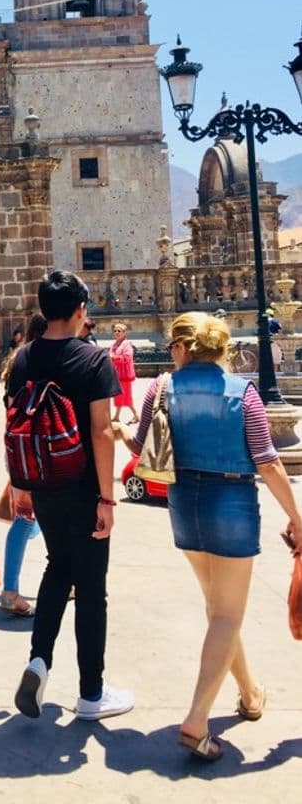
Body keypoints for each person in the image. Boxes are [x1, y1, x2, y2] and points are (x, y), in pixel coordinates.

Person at [117, 312, 302, 762]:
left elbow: (140, 448)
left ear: (183, 347)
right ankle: (197, 720)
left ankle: (251, 693)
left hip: (183, 503)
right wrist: (296, 516)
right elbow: (267, 460)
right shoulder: (243, 393)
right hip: (231, 503)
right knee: (228, 615)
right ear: (221, 348)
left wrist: (119, 427)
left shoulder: (161, 389)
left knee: (219, 610)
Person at [9, 271, 132, 722]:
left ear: (42, 310)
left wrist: (20, 486)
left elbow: (17, 427)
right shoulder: (91, 360)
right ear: (82, 309)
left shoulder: (23, 358)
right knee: (92, 589)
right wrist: (107, 499)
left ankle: (38, 660)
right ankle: (91, 693)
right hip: (82, 488)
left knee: (57, 567)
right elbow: (102, 433)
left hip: (41, 483)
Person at [0, 312, 47, 617]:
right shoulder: (48, 357)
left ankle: (11, 589)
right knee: (28, 519)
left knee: (32, 517)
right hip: (45, 449)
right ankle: (10, 589)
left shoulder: (18, 359)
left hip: (17, 446)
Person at [109, 323, 138, 423]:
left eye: (119, 331)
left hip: (124, 374)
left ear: (124, 333)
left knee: (126, 397)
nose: (116, 332)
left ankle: (136, 415)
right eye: (115, 331)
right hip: (117, 374)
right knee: (118, 396)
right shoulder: (114, 344)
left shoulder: (127, 344)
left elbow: (127, 357)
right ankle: (117, 416)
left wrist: (114, 357)